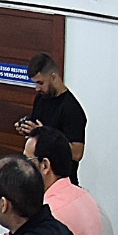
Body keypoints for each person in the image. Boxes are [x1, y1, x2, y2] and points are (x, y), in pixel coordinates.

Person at [16, 53, 86, 185]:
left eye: (40, 83)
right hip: (38, 177)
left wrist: (43, 133)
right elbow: (38, 130)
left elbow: (77, 153)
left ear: (53, 77)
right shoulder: (41, 98)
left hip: (61, 181)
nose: (37, 88)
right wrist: (27, 129)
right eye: (35, 83)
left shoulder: (72, 109)